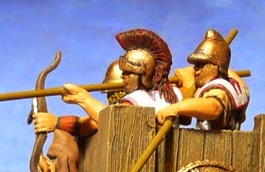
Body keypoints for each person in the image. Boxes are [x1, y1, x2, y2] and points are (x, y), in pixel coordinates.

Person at [34, 28, 183, 138]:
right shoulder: (173, 94)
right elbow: (90, 125)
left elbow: (111, 120)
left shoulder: (140, 99)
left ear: (144, 75)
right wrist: (57, 122)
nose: (123, 77)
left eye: (128, 73)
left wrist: (83, 99)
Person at [156, 29, 250, 131]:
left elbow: (214, 108)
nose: (195, 69)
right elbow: (244, 89)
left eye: (200, 65)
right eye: (195, 65)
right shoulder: (232, 85)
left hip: (217, 140)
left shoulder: (219, 86)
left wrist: (175, 108)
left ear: (214, 67)